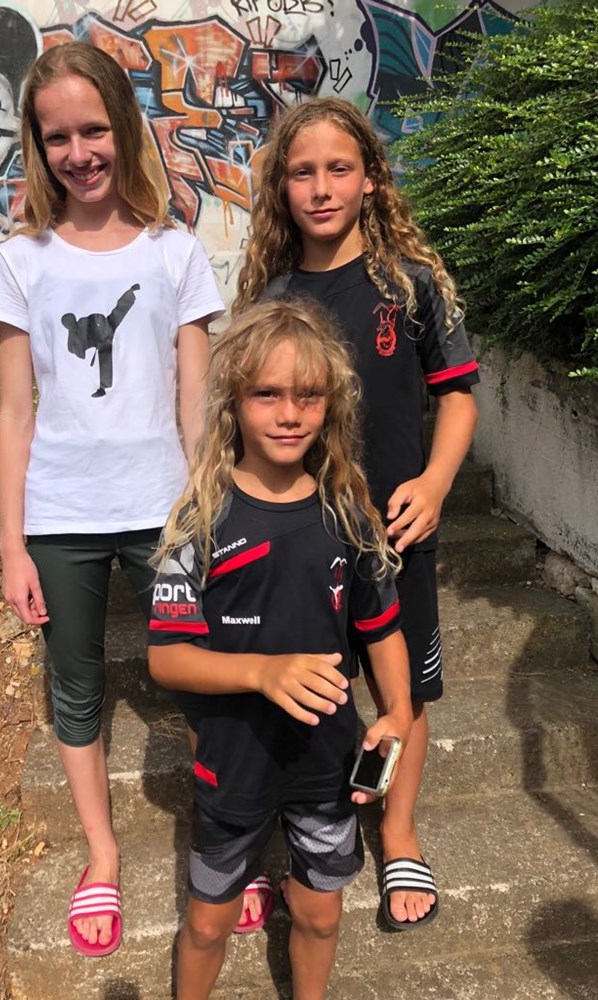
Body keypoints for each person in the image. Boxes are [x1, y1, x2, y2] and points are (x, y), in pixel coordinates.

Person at [0, 41, 223, 957]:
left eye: (93, 130)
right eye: (57, 138)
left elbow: (197, 401)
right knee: (75, 691)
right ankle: (103, 855)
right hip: (60, 519)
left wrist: (212, 507)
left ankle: (223, 842)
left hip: (167, 512)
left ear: (125, 126)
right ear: (37, 147)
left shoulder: (176, 253)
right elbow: (15, 413)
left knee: (206, 680)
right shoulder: (21, 262)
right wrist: (12, 547)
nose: (78, 153)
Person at [233, 96, 479, 931]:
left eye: (339, 168)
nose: (321, 187)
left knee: (404, 691)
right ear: (281, 187)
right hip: (301, 542)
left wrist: (436, 483)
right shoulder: (272, 295)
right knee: (296, 685)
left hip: (398, 535)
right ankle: (281, 839)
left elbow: (458, 397)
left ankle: (398, 831)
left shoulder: (409, 285)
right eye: (301, 172)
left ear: (371, 177)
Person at [148, 298, 413, 1000]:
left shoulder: (347, 513)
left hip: (327, 765)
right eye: (267, 394)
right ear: (234, 401)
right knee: (208, 924)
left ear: (332, 404)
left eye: (308, 395)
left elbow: (382, 627)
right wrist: (263, 672)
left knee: (321, 914)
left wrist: (397, 712)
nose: (289, 414)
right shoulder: (200, 520)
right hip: (232, 766)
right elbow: (166, 658)